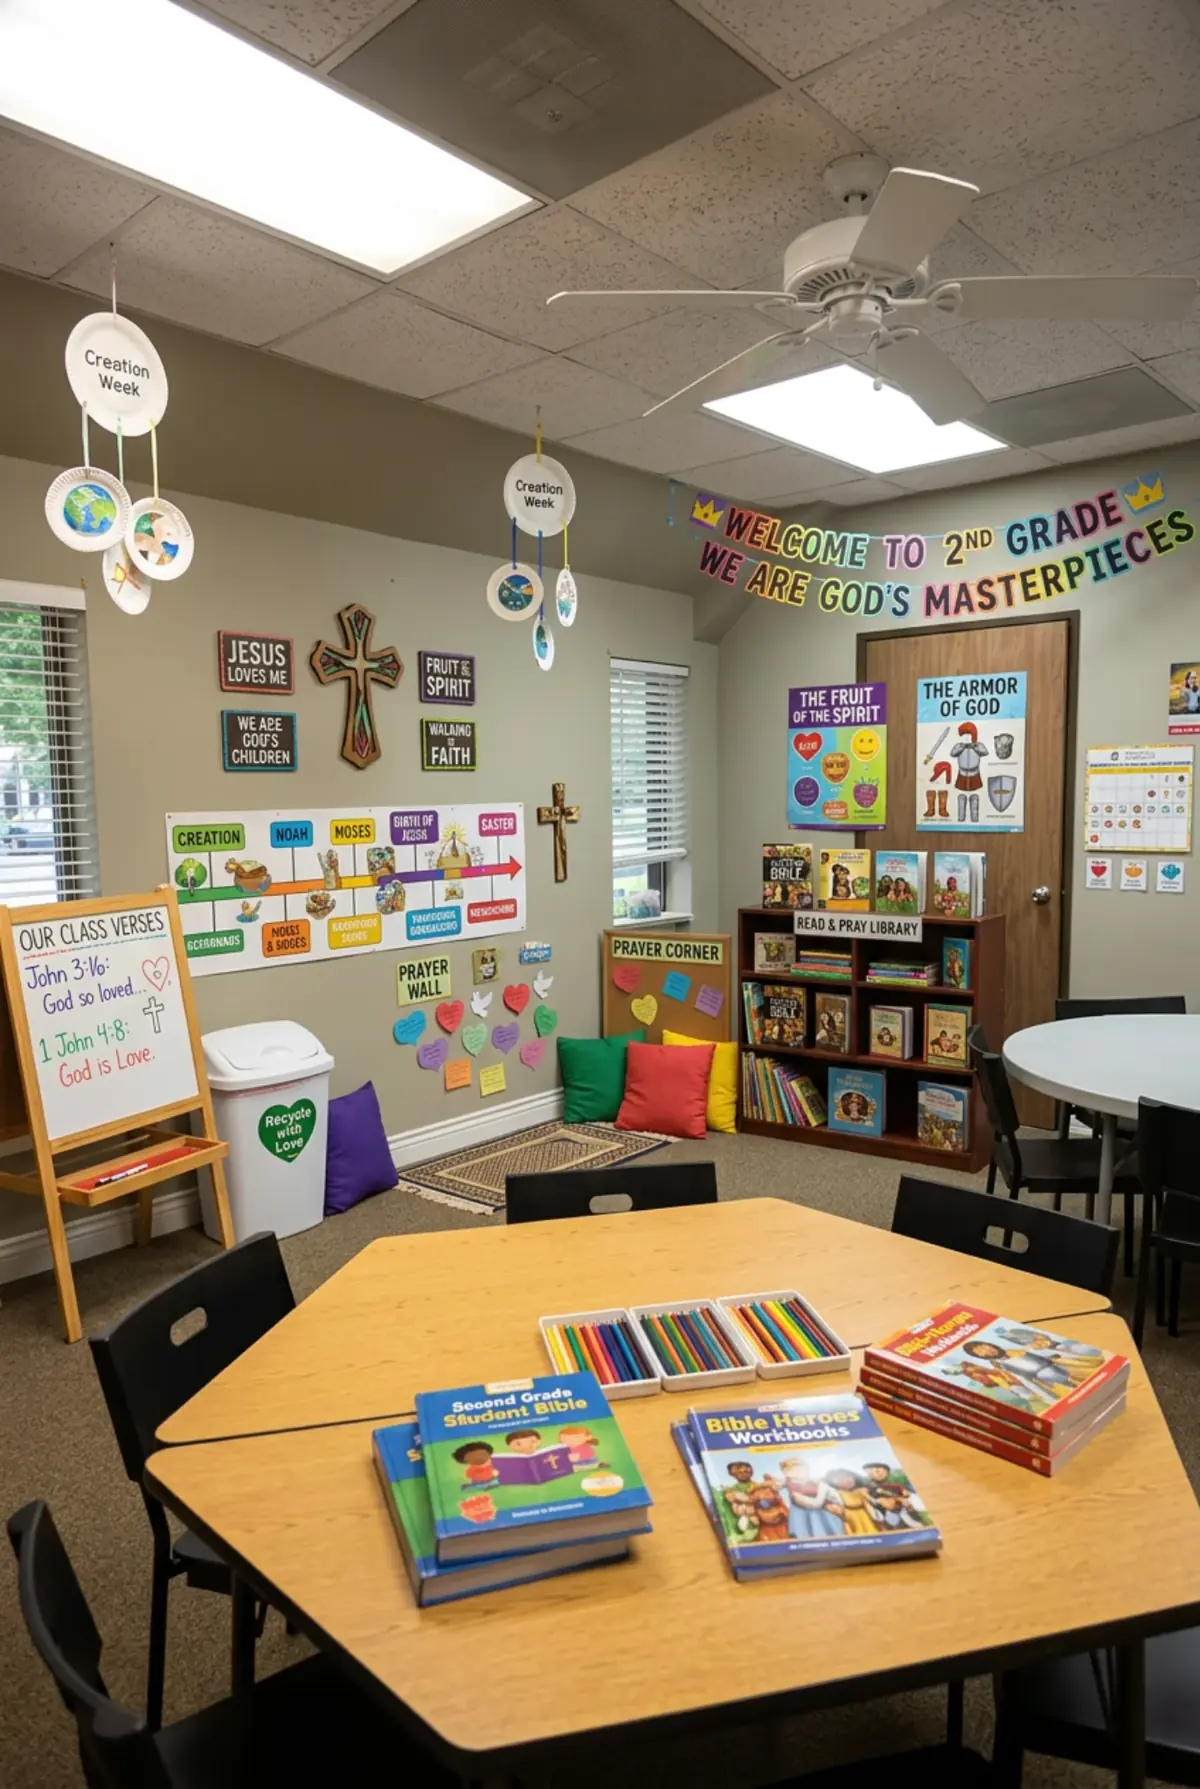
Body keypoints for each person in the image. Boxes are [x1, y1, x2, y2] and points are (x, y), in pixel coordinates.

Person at [779, 1456, 844, 1539]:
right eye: (792, 1468)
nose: (797, 1470)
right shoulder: (787, 1482)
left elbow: (818, 1501)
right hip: (800, 1511)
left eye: (799, 1467)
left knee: (825, 1528)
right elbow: (778, 1485)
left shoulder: (817, 1482)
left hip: (820, 1510)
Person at [949, 721, 990, 824]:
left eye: (969, 735)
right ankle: (961, 818)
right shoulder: (959, 746)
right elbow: (952, 753)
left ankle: (975, 818)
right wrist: (961, 747)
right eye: (965, 735)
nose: (966, 738)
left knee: (975, 797)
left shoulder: (977, 746)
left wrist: (975, 745)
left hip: (975, 774)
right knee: (961, 797)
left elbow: (985, 752)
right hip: (962, 774)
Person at [823, 1468, 877, 1536]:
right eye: (842, 1478)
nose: (849, 1480)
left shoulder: (861, 1490)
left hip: (865, 1516)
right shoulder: (836, 1493)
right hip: (850, 1518)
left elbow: (873, 1499)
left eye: (850, 1477)